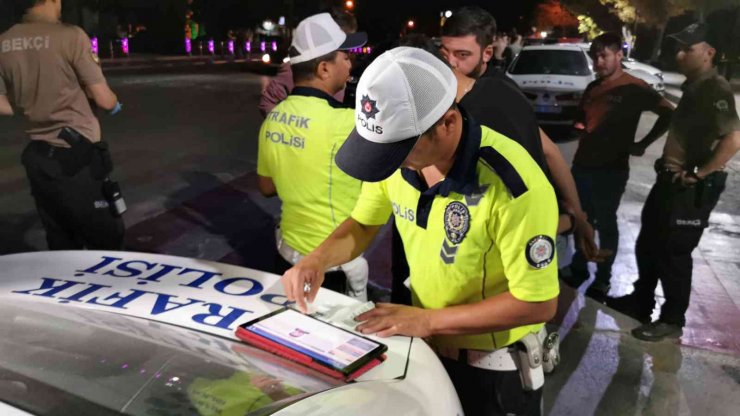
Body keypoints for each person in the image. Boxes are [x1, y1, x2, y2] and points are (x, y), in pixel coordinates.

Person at [283, 47, 559, 416]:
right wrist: (316, 260)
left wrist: (427, 320)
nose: (392, 163)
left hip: (493, 369)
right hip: (424, 349)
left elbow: (537, 302)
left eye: (399, 149)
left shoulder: (513, 186)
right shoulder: (399, 165)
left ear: (447, 122)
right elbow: (364, 223)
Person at [608, 23, 740, 341]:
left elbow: (733, 137)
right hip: (669, 181)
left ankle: (672, 319)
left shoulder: (714, 88)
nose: (679, 55)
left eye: (688, 49)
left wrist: (700, 174)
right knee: (649, 242)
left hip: (690, 187)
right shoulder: (695, 86)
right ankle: (640, 302)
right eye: (678, 48)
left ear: (709, 53)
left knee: (674, 251)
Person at [440, 7, 605, 260]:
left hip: (526, 231)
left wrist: (577, 218)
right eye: (446, 53)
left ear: (487, 53)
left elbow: (548, 154)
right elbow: (551, 150)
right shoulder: (473, 90)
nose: (452, 63)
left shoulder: (495, 95)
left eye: (462, 54)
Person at [256, 13, 369, 300]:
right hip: (329, 266)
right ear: (323, 68)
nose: (350, 62)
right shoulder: (349, 123)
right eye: (345, 56)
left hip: (285, 255)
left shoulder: (274, 118)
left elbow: (267, 187)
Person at [0, 0, 125, 250]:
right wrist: (114, 105)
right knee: (106, 238)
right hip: (77, 157)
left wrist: (32, 104)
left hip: (39, 159)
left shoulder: (3, 41)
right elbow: (103, 98)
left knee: (60, 240)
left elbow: (2, 105)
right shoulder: (70, 36)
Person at [562, 33, 674, 302]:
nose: (598, 62)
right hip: (582, 166)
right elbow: (580, 120)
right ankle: (578, 267)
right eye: (595, 57)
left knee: (606, 223)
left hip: (611, 171)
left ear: (619, 55)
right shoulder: (592, 88)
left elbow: (669, 113)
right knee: (582, 219)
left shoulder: (634, 87)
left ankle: (602, 279)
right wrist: (579, 127)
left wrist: (643, 143)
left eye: (604, 56)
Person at [257, 8, 358, 118]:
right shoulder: (298, 68)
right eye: (344, 40)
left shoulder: (345, 65)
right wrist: (294, 127)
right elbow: (267, 103)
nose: (349, 49)